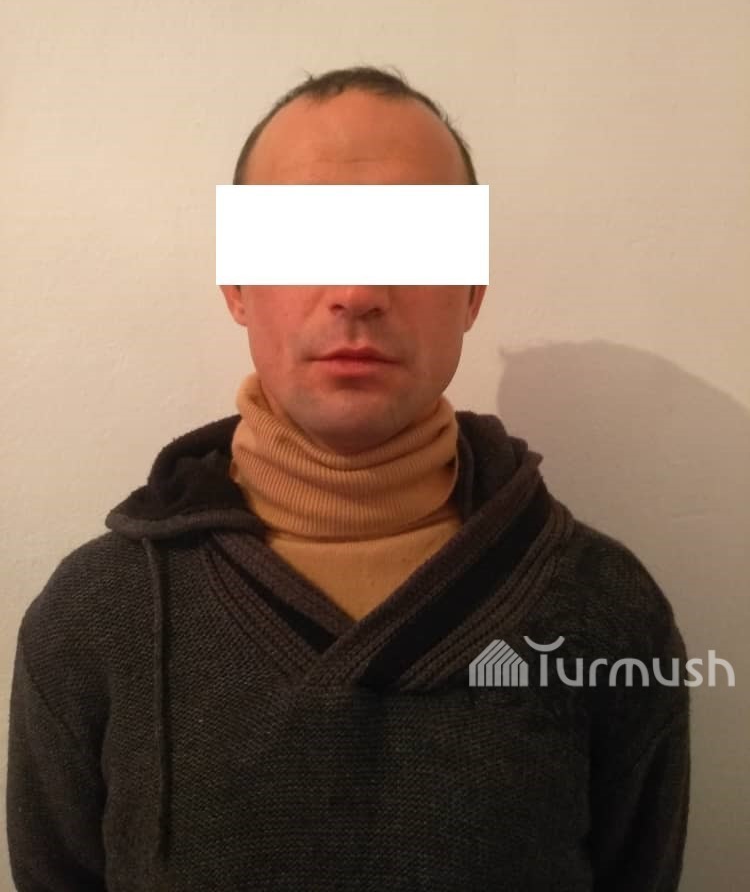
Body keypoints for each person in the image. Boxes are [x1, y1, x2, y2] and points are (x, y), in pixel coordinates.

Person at [6, 66, 690, 890]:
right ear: (236, 285)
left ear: (471, 290)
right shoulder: (92, 619)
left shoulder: (608, 611)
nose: (358, 292)